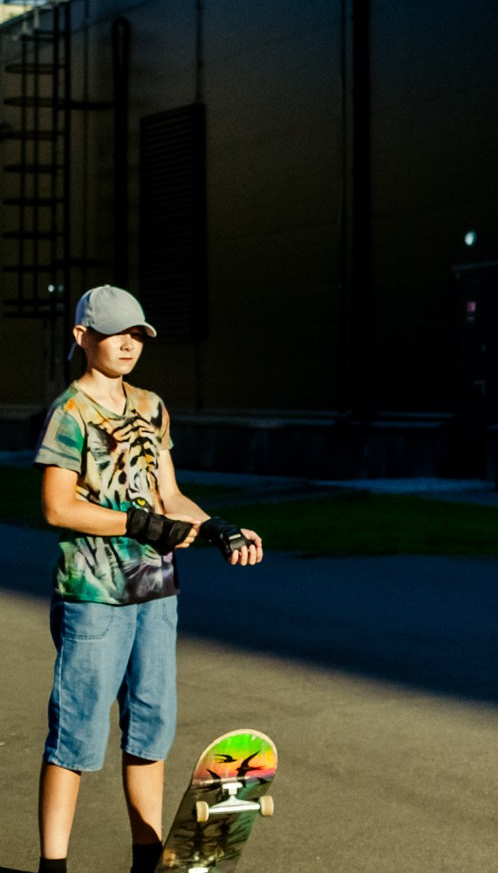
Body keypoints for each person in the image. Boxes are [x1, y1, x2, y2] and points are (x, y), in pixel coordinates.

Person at [34, 285, 265, 873]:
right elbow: (58, 508)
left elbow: (170, 495)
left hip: (156, 591)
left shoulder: (151, 405)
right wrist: (138, 523)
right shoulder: (70, 412)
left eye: (138, 333)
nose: (129, 344)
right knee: (77, 737)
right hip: (93, 597)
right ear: (83, 337)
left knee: (150, 727)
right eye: (116, 333)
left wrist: (218, 528)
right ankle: (53, 866)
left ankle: (147, 858)